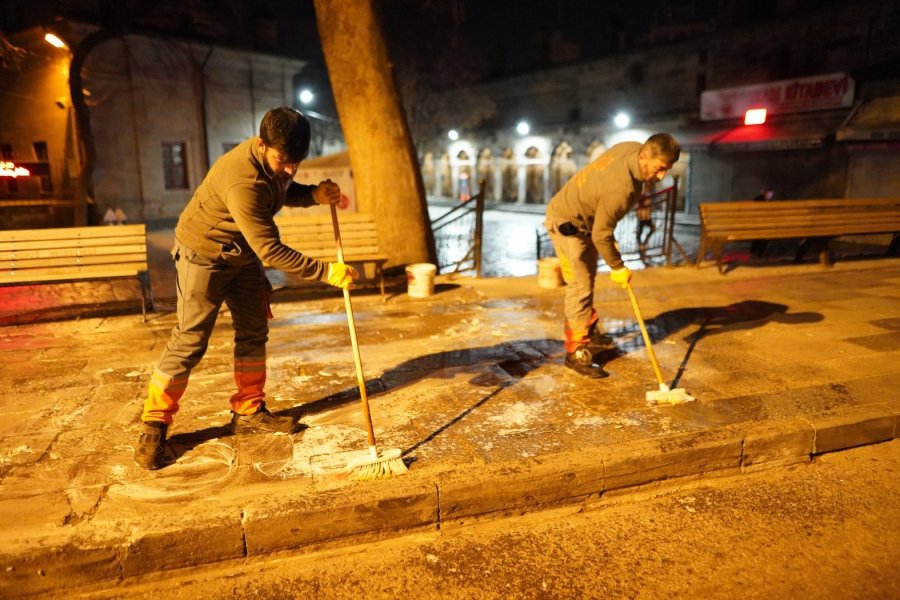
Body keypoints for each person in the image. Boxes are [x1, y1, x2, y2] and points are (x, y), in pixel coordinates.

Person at [135, 107, 359, 470]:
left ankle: (249, 411)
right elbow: (270, 248)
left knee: (254, 330)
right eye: (284, 160)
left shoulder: (273, 165)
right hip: (203, 256)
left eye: (297, 162)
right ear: (261, 144)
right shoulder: (243, 181)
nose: (290, 169)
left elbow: (279, 190)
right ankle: (154, 424)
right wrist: (326, 271)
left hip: (241, 254)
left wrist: (313, 194)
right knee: (190, 340)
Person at [544, 133, 681, 378]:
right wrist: (618, 267)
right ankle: (575, 351)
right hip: (567, 223)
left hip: (585, 222)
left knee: (587, 278)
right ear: (643, 156)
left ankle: (588, 327)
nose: (661, 176)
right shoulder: (622, 189)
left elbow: (601, 224)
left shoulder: (630, 148)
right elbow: (601, 235)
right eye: (659, 169)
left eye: (666, 170)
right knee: (580, 286)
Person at [750, 187, 774, 258]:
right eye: (769, 194)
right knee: (764, 236)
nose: (770, 196)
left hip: (759, 225)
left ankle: (755, 252)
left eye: (771, 194)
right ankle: (758, 253)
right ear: (765, 193)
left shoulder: (758, 200)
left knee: (762, 236)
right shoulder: (761, 200)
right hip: (760, 224)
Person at [635, 188, 655, 254]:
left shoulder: (647, 194)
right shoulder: (642, 195)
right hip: (642, 215)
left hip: (646, 215)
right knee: (641, 229)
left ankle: (643, 242)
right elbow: (640, 205)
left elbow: (649, 204)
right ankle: (641, 244)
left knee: (651, 229)